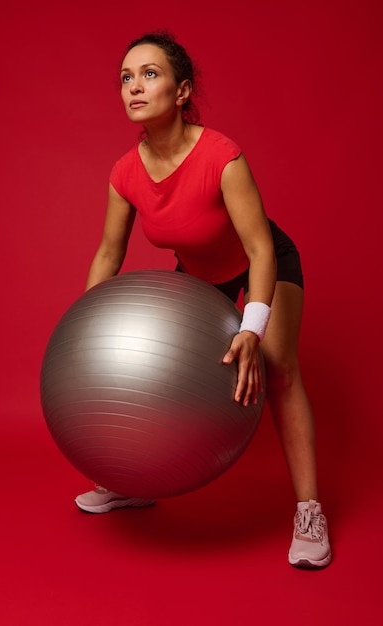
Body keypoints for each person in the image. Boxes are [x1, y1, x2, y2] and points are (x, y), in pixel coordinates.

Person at [74, 30, 332, 569]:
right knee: (168, 375)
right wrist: (82, 328)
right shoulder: (125, 173)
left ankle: (309, 511)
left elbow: (260, 249)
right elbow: (107, 255)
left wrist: (251, 328)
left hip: (266, 262)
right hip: (200, 276)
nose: (134, 87)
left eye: (150, 74)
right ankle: (134, 481)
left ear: (183, 90)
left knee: (278, 366)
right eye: (126, 77)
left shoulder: (221, 155)